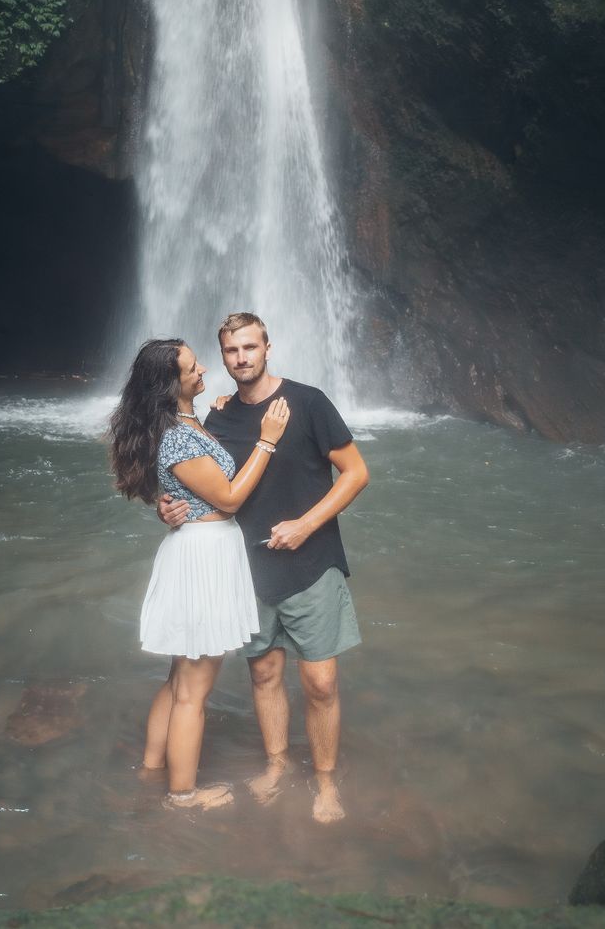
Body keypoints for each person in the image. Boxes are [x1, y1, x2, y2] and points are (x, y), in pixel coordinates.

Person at [158, 311, 370, 824]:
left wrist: (304, 525)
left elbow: (357, 473)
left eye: (250, 348)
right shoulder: (219, 416)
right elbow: (200, 482)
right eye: (231, 351)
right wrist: (167, 509)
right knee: (265, 672)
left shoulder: (308, 402)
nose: (241, 358)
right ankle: (277, 768)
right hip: (246, 569)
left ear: (268, 347)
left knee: (320, 682)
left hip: (311, 561)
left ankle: (325, 783)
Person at [110, 336, 289, 809]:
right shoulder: (176, 434)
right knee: (194, 690)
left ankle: (151, 771)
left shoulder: (189, 422)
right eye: (192, 368)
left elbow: (190, 487)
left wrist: (225, 412)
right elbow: (229, 498)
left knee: (177, 680)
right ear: (171, 385)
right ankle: (182, 796)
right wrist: (267, 441)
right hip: (202, 555)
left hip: (201, 548)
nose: (204, 369)